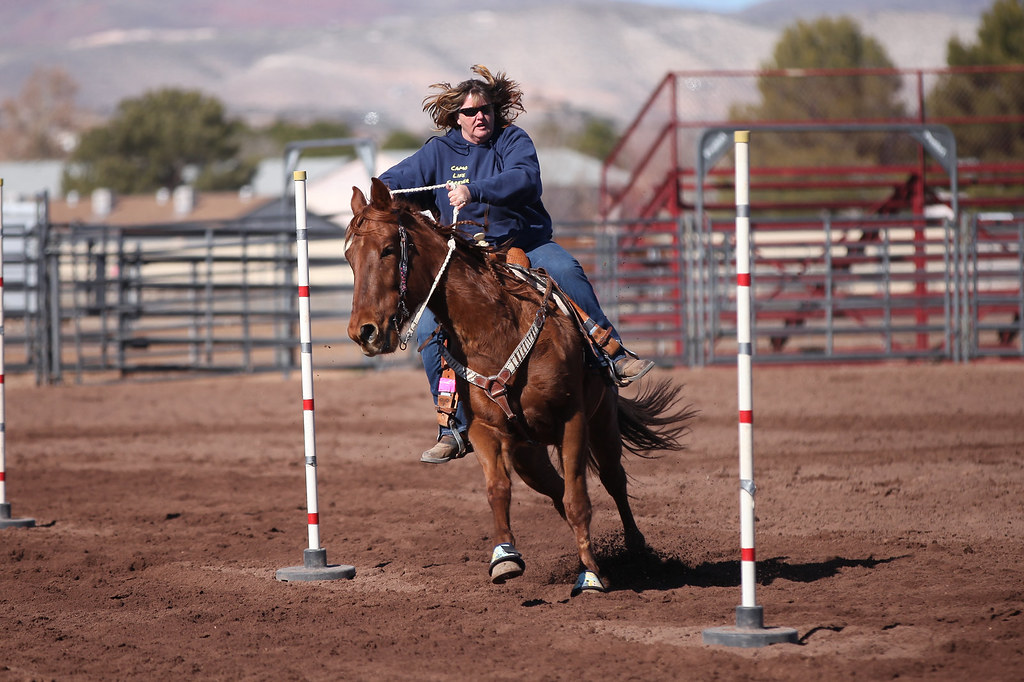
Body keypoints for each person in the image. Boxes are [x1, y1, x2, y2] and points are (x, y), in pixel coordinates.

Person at [379, 65, 654, 464]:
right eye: (472, 112)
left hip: (523, 245)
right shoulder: (437, 152)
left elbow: (525, 180)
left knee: (566, 271)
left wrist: (474, 190)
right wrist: (380, 192)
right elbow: (395, 182)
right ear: (457, 117)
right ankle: (453, 427)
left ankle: (612, 354)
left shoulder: (513, 141)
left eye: (486, 110)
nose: (480, 118)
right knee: (426, 329)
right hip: (467, 262)